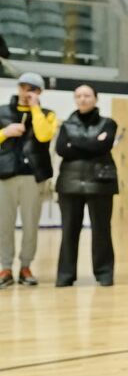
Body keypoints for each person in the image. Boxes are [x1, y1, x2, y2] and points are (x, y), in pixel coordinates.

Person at [54, 84, 119, 287]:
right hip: (69, 183)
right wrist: (92, 143)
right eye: (79, 96)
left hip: (100, 183)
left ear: (96, 98)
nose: (83, 99)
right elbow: (62, 150)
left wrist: (76, 143)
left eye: (87, 95)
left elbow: (104, 146)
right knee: (69, 231)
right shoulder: (66, 125)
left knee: (102, 230)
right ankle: (65, 275)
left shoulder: (108, 123)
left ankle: (104, 273)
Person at [0, 72, 57, 287]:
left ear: (40, 92)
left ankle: (25, 266)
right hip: (5, 174)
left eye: (32, 89)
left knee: (31, 224)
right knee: (4, 224)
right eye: (24, 87)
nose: (27, 92)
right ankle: (5, 267)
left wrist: (35, 109)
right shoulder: (2, 111)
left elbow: (43, 136)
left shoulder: (48, 114)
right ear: (18, 88)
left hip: (34, 176)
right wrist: (5, 132)